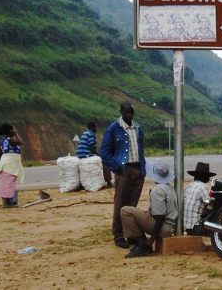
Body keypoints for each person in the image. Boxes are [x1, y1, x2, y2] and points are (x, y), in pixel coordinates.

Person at [100, 102, 146, 249]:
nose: (129, 115)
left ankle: (131, 234)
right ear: (121, 112)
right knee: (120, 204)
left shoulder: (138, 128)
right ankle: (118, 235)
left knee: (132, 205)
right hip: (124, 171)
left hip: (138, 170)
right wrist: (117, 168)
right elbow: (104, 152)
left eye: (131, 112)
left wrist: (142, 170)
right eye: (126, 112)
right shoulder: (113, 129)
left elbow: (141, 150)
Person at [120, 159, 178, 258]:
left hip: (164, 227)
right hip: (171, 226)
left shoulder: (157, 190)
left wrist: (151, 240)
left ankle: (142, 245)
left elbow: (160, 217)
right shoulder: (169, 187)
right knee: (138, 212)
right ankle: (142, 243)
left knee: (125, 211)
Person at [76, 121, 112, 187]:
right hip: (86, 154)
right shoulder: (90, 134)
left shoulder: (85, 133)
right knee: (105, 162)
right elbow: (92, 148)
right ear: (92, 128)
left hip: (79, 154)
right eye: (96, 127)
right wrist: (99, 155)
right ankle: (109, 182)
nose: (96, 129)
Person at [0, 123, 24, 207]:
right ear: (10, 131)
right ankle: (8, 203)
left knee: (6, 182)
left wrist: (0, 164)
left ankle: (7, 202)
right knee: (9, 182)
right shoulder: (10, 140)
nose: (15, 130)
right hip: (10, 163)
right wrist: (16, 134)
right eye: (13, 129)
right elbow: (20, 142)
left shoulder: (3, 140)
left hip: (5, 163)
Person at [184, 162, 216, 236]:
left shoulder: (190, 185)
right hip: (194, 228)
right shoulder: (203, 187)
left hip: (185, 226)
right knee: (215, 215)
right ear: (206, 177)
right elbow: (209, 205)